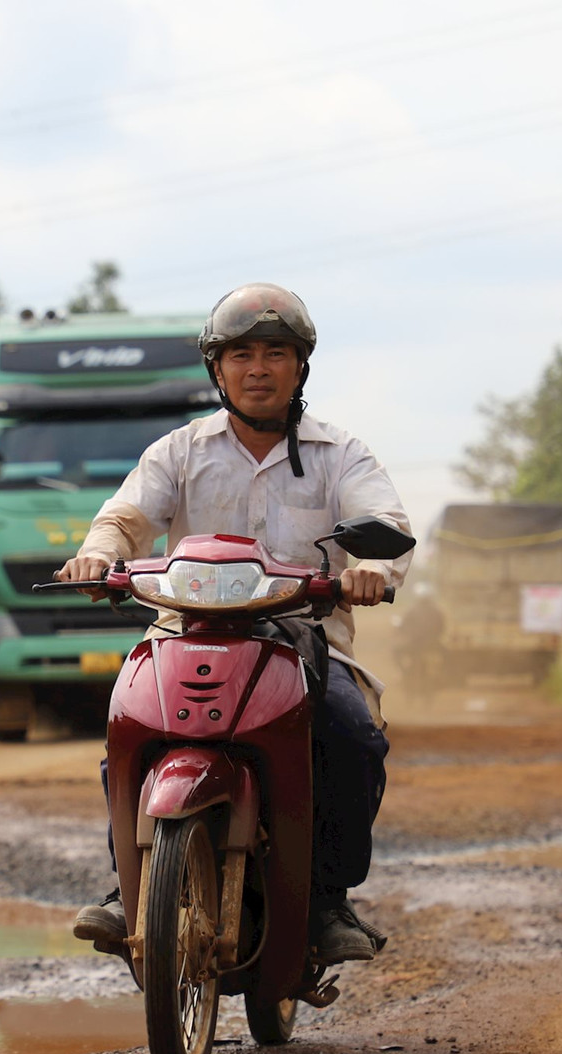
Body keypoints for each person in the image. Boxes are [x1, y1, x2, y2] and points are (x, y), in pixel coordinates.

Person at [53, 283, 411, 965]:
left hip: (304, 641)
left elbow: (386, 526)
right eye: (240, 354)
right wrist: (100, 554)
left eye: (275, 352)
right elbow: (125, 516)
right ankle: (128, 889)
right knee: (128, 726)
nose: (258, 368)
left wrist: (372, 569)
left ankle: (329, 898)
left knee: (352, 738)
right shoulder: (181, 452)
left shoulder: (341, 454)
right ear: (217, 370)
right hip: (184, 634)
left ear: (300, 366)